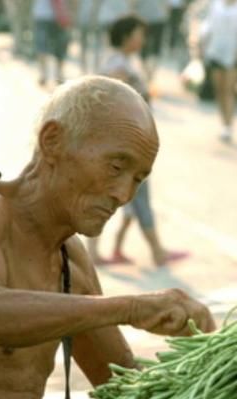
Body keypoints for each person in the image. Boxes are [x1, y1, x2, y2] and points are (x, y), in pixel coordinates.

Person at [0, 76, 216, 399]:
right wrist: (131, 307)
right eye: (116, 166)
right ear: (52, 141)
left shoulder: (70, 258)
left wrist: (211, 361)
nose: (123, 194)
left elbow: (121, 388)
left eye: (138, 179)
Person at [87, 16, 188, 267]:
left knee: (128, 197)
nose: (142, 40)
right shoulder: (117, 65)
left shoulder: (122, 61)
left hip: (126, 142)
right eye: (138, 34)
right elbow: (114, 102)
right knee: (136, 194)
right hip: (124, 144)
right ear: (126, 37)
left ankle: (113, 249)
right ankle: (156, 251)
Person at [199, 0, 237, 143]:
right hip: (215, 50)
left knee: (229, 89)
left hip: (234, 53)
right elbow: (208, 26)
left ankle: (229, 125)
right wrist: (203, 46)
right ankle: (223, 122)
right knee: (219, 89)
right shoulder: (216, 4)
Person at [77, 0, 130, 74]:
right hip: (101, 19)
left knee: (98, 47)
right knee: (100, 47)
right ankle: (92, 68)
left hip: (99, 19)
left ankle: (92, 68)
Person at [33, 0, 71, 86]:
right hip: (52, 16)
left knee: (43, 47)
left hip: (44, 15)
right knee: (55, 47)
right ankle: (54, 75)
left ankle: (46, 74)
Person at [132, 0, 169, 81]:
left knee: (144, 45)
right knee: (155, 46)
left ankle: (148, 71)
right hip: (156, 17)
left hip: (145, 17)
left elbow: (133, 4)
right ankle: (150, 71)